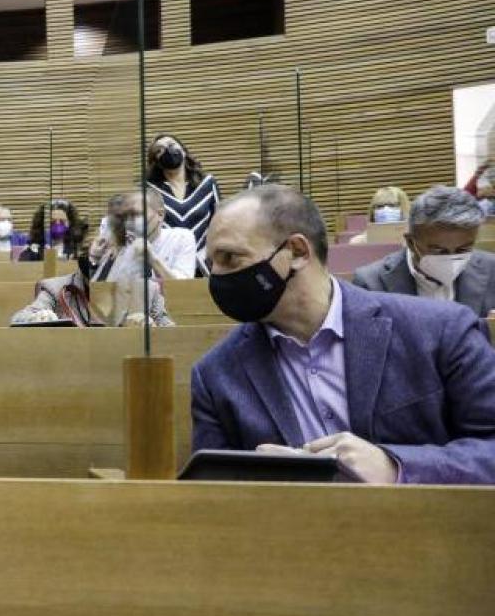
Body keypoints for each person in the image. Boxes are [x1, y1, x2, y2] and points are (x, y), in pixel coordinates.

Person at [192, 184, 495, 484]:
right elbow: (214, 495)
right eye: (211, 264)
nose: (217, 276)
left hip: (428, 526)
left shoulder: (442, 330)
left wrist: (396, 467)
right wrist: (265, 478)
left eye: (230, 258)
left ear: (297, 252)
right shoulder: (215, 375)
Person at [353, 186, 495, 319]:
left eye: (463, 249)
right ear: (411, 243)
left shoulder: (492, 271)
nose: (451, 258)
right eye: (439, 250)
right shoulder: (371, 284)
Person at [145, 133, 220, 273]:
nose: (167, 150)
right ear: (156, 161)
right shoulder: (149, 190)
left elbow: (218, 222)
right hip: (166, 265)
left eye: (171, 145)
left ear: (183, 151)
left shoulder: (207, 184)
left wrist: (206, 254)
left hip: (204, 264)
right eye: (160, 150)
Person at [93, 189, 197, 281]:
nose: (130, 222)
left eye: (137, 214)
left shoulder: (181, 238)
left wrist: (152, 259)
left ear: (160, 215)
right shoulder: (124, 241)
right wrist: (95, 258)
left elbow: (184, 288)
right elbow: (101, 290)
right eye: (127, 216)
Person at [18, 199, 86, 262]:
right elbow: (23, 265)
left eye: (62, 221)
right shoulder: (34, 247)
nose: (57, 224)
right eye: (53, 221)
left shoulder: (75, 248)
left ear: (70, 223)